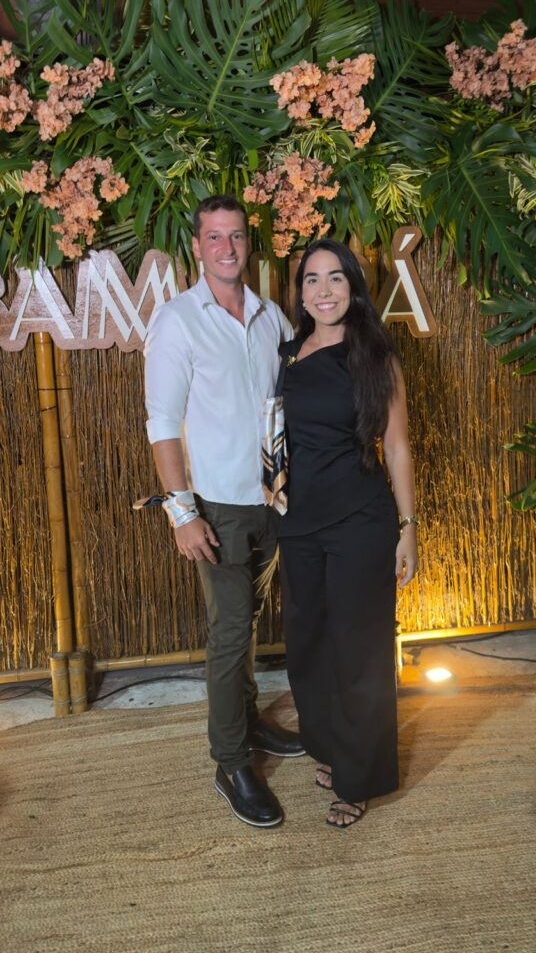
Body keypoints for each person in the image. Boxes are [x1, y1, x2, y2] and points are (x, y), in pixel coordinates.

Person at [143, 194, 303, 829]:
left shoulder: (270, 317)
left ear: (247, 243)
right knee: (231, 631)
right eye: (215, 237)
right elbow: (161, 421)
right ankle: (230, 763)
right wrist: (182, 514)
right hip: (217, 506)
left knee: (250, 621)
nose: (227, 248)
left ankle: (250, 722)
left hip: (273, 498)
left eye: (236, 236)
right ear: (197, 247)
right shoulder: (178, 321)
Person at [276, 238, 418, 829]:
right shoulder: (287, 355)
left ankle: (359, 779)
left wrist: (408, 528)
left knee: (359, 651)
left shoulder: (375, 357)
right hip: (298, 524)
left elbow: (397, 446)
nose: (324, 290)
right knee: (309, 645)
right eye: (312, 279)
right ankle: (333, 748)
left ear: (353, 288)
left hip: (361, 520)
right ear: (301, 292)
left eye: (335, 278)